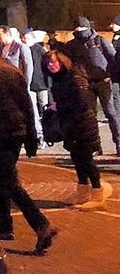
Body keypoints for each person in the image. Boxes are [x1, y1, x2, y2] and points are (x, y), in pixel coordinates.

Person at [0, 29, 56, 254]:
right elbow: (26, 104)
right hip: (16, 131)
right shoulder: (12, 69)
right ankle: (4, 229)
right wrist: (32, 136)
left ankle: (41, 225)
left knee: (8, 182)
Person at [43, 49, 106, 207]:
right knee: (77, 159)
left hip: (83, 125)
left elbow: (83, 103)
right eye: (48, 63)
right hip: (70, 125)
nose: (51, 66)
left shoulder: (75, 77)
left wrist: (58, 106)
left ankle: (98, 194)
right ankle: (83, 192)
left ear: (62, 61)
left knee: (86, 159)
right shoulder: (58, 79)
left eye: (54, 62)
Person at [66, 16, 119, 155]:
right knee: (90, 117)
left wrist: (110, 76)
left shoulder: (101, 41)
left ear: (88, 28)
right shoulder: (72, 45)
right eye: (76, 29)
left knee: (111, 113)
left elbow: (114, 60)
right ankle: (95, 146)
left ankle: (119, 143)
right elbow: (68, 65)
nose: (79, 31)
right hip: (85, 84)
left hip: (103, 82)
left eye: (82, 28)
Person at [25, 30, 52, 147]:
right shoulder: (24, 50)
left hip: (41, 85)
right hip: (31, 86)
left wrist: (48, 82)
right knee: (34, 110)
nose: (24, 41)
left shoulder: (39, 50)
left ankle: (49, 132)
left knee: (45, 108)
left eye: (26, 39)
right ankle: (39, 135)